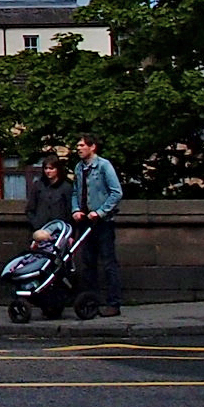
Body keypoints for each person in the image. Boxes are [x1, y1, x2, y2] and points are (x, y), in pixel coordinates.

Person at [72, 134, 124, 316]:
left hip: (103, 223)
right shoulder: (79, 168)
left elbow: (116, 192)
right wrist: (76, 209)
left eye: (81, 145)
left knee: (109, 263)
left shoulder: (103, 165)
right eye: (77, 145)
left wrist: (100, 212)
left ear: (92, 147)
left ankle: (114, 303)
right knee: (88, 264)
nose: (78, 148)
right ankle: (92, 302)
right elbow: (75, 191)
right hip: (85, 222)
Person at [26, 155, 74, 233]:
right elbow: (30, 209)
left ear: (57, 169)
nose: (48, 171)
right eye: (46, 168)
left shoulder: (66, 187)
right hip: (40, 228)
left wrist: (70, 233)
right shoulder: (38, 186)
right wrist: (36, 224)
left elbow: (69, 210)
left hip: (60, 229)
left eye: (51, 168)